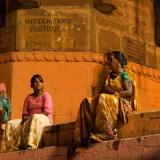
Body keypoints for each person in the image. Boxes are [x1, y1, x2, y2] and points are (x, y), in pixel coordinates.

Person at [67, 51, 139, 159]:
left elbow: (129, 92)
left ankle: (106, 133)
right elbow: (101, 94)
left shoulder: (124, 74)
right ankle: (82, 136)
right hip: (108, 101)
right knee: (86, 102)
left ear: (118, 61)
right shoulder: (108, 77)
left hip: (120, 102)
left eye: (110, 59)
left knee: (103, 98)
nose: (108, 62)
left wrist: (113, 95)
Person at [0, 74, 53, 152]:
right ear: (31, 85)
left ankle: (31, 145)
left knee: (35, 117)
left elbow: (46, 112)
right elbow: (24, 115)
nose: (38, 83)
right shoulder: (29, 98)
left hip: (43, 120)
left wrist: (31, 118)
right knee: (11, 123)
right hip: (30, 120)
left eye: (40, 81)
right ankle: (8, 149)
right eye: (35, 82)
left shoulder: (46, 95)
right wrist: (27, 119)